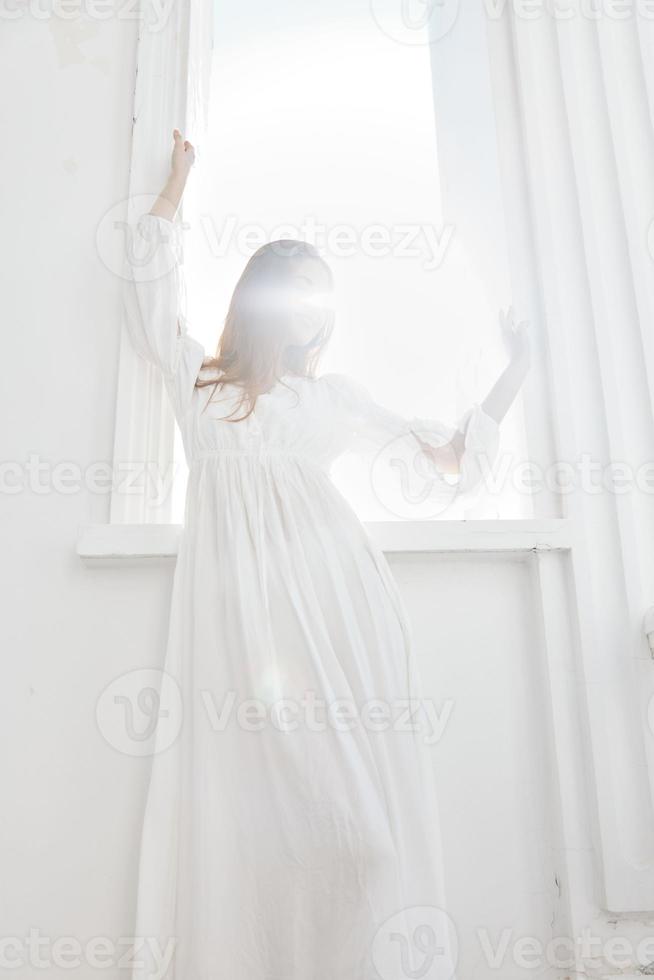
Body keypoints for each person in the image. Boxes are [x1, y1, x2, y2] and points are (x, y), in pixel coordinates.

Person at [128, 129, 530, 980]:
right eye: (297, 296)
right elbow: (144, 286)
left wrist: (517, 368)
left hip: (339, 619)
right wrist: (174, 184)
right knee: (264, 842)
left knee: (363, 841)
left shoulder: (332, 400)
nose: (311, 316)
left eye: (322, 301)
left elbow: (444, 456)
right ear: (261, 303)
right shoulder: (200, 384)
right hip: (243, 634)